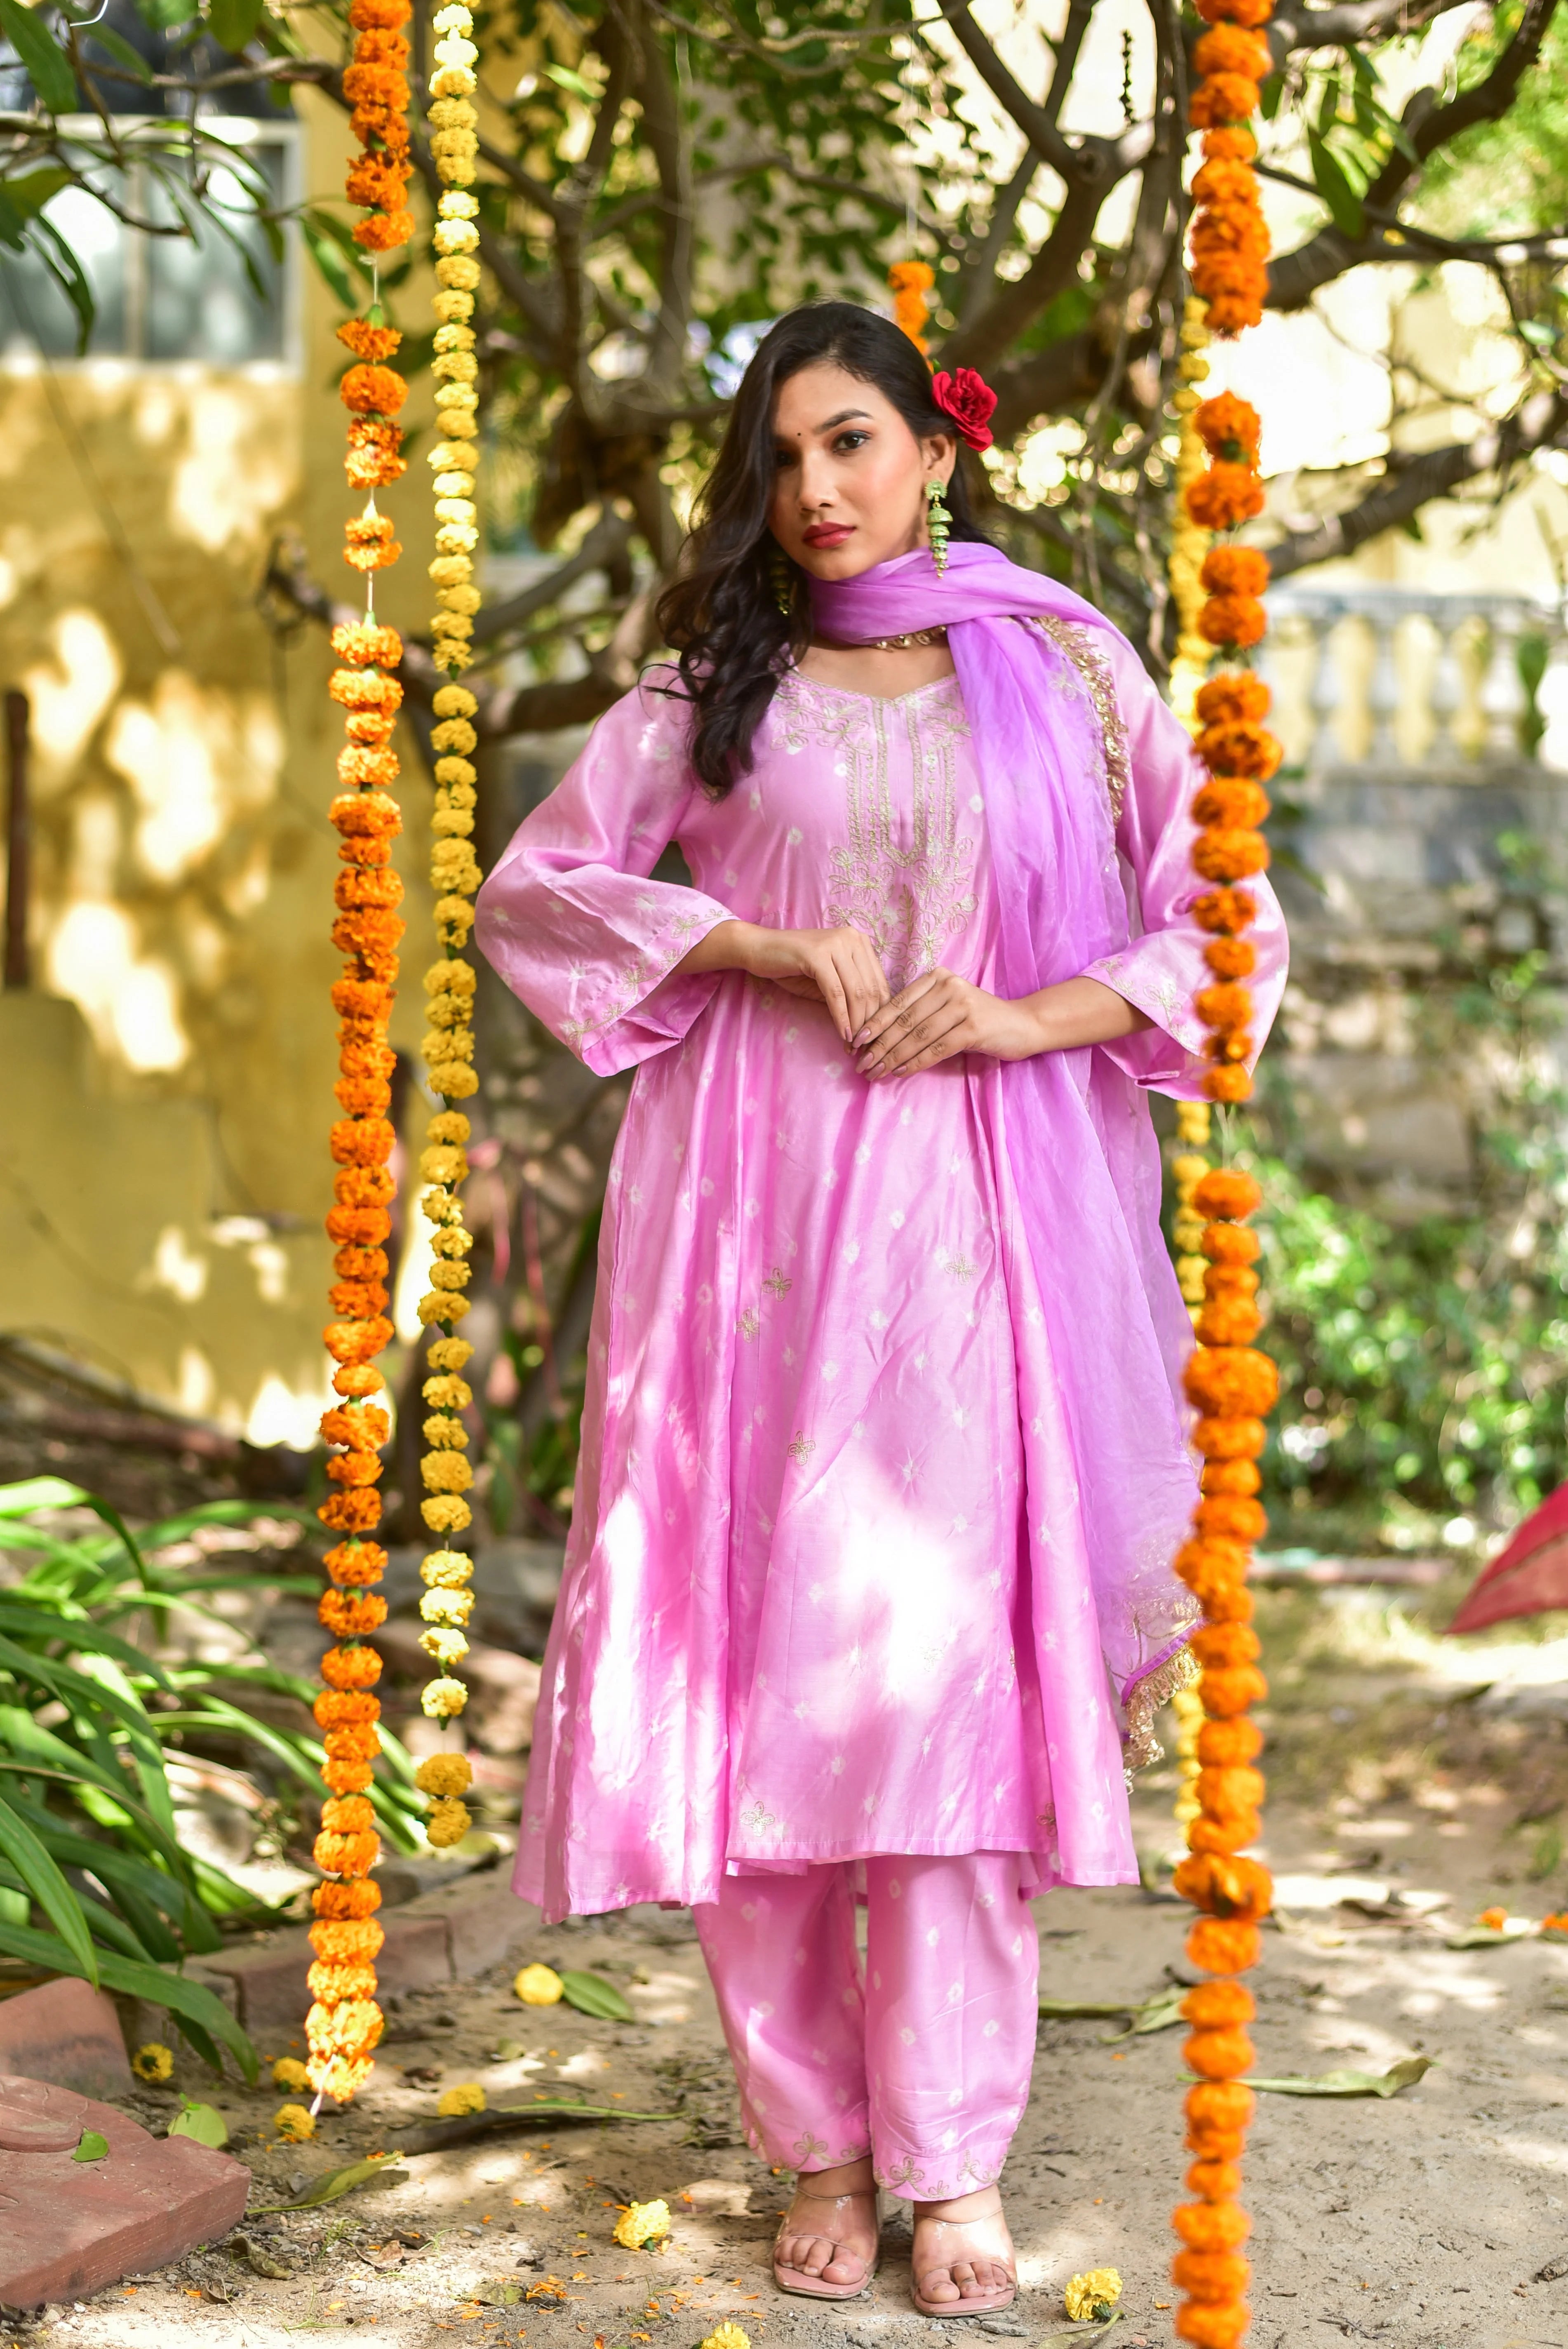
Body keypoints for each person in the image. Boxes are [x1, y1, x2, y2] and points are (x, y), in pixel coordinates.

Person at [475, 301, 1287, 2318]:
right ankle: (813, 2147)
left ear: (940, 445)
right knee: (755, 1670)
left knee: (936, 1681)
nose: (816, 493)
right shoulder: (706, 686)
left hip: (972, 1223)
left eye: (851, 443)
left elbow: (1230, 918)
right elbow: (540, 893)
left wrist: (1024, 1009)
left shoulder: (1072, 671)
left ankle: (950, 2161)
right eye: (779, 460)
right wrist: (749, 940)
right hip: (743, 1224)